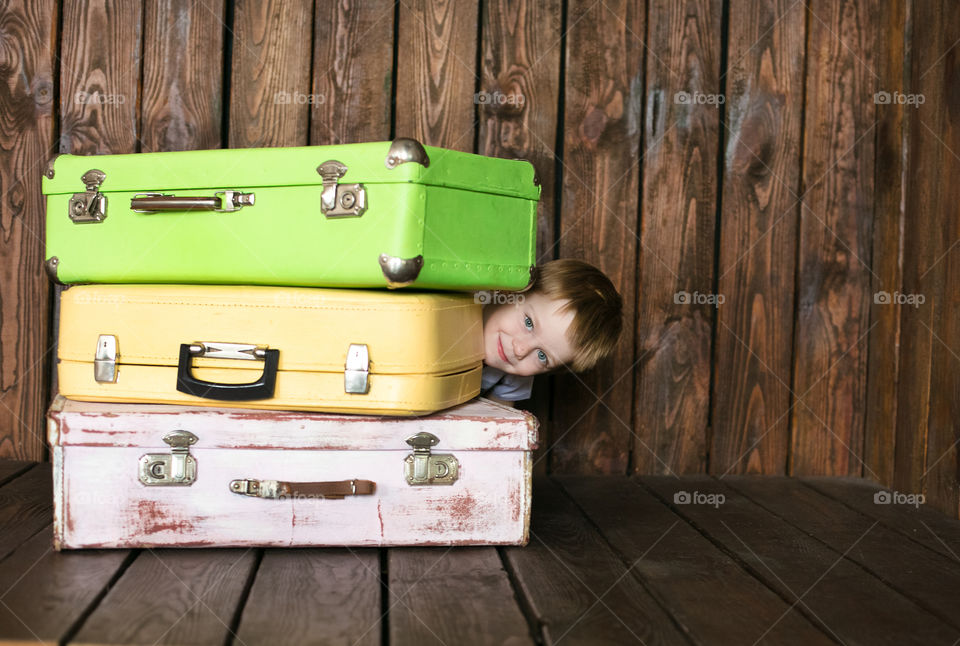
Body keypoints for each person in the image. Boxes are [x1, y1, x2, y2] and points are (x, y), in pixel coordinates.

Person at [480, 259, 623, 405]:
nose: (520, 350)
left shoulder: (515, 375)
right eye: (529, 323)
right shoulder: (469, 296)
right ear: (513, 292)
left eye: (542, 356)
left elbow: (502, 421)